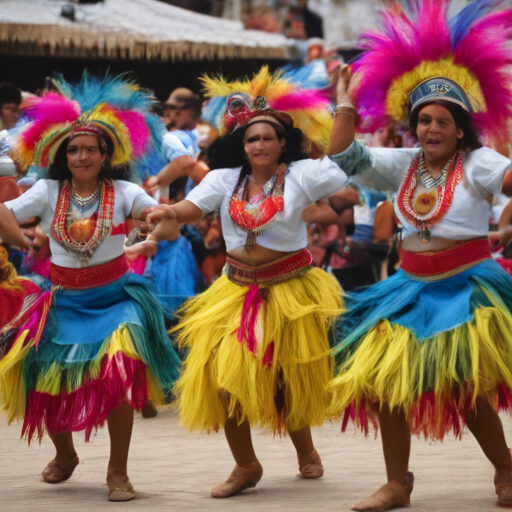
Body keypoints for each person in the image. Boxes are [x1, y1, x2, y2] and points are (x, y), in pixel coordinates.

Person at [327, 1, 512, 510]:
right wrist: (346, 103)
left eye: (442, 121)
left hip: (465, 285)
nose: (431, 129)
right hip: (408, 287)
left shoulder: (478, 161)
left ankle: (506, 468)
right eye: (423, 120)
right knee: (387, 383)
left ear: (460, 128)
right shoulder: (403, 163)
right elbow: (343, 155)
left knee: (467, 388)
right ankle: (396, 483)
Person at [137, 68, 351, 498]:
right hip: (235, 291)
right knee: (222, 375)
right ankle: (245, 465)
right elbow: (189, 208)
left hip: (292, 289)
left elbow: (344, 159)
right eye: (252, 138)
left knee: (286, 381)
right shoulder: (224, 179)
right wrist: (168, 214)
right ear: (242, 143)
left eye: (268, 138)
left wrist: (343, 103)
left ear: (282, 143)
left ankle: (306, 450)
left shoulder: (302, 175)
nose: (259, 145)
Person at [0, 75, 181, 501]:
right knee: (43, 378)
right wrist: (20, 240)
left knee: (118, 375)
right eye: (74, 149)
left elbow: (166, 222)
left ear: (106, 155)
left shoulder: (124, 190)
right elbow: (4, 210)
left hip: (117, 298)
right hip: (62, 300)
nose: (82, 156)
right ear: (64, 155)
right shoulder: (46, 191)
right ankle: (66, 455)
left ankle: (118, 471)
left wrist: (160, 218)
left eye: (90, 149)